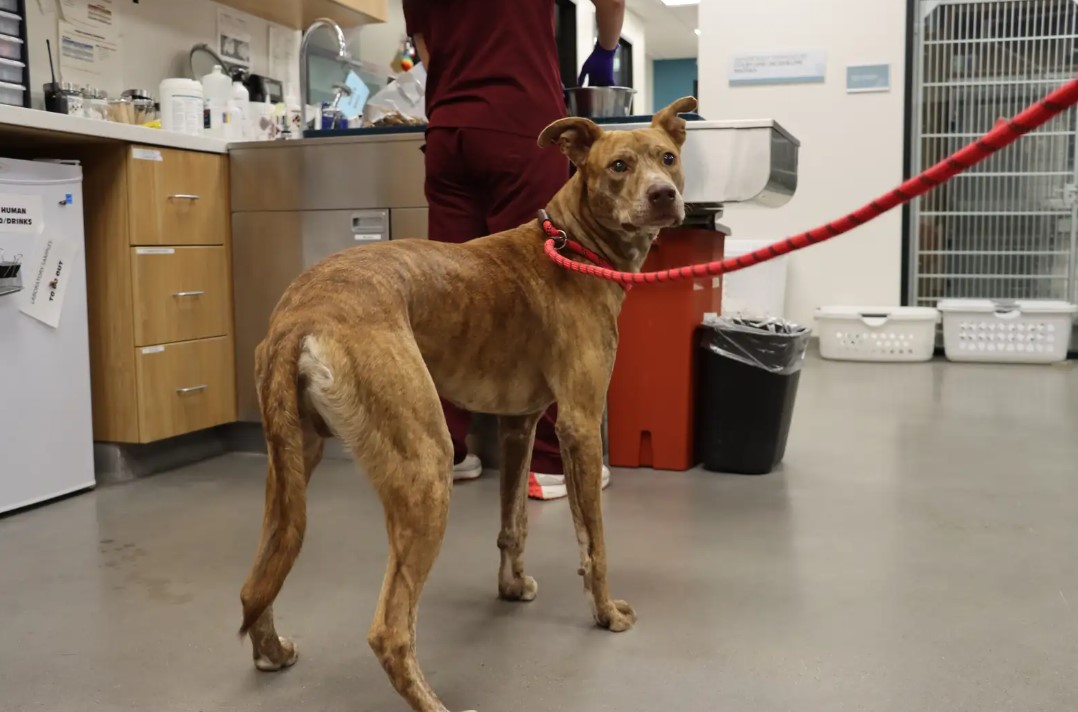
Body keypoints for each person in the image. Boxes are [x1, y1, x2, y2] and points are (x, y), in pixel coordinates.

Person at [404, 0, 626, 500]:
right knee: (546, 292)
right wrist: (606, 49)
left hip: (449, 133)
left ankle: (449, 450)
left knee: (447, 298)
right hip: (521, 125)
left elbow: (428, 52)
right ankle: (550, 462)